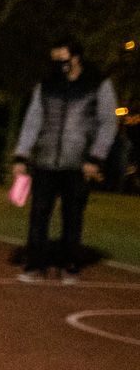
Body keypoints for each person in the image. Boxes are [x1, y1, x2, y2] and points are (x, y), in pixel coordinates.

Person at [12, 37, 119, 284]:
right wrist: (22, 154)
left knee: (73, 216)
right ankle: (35, 264)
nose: (59, 63)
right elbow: (33, 121)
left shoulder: (98, 84)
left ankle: (70, 264)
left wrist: (96, 157)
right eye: (55, 58)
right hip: (45, 161)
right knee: (39, 214)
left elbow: (108, 122)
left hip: (78, 163)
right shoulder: (47, 84)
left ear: (76, 57)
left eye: (63, 58)